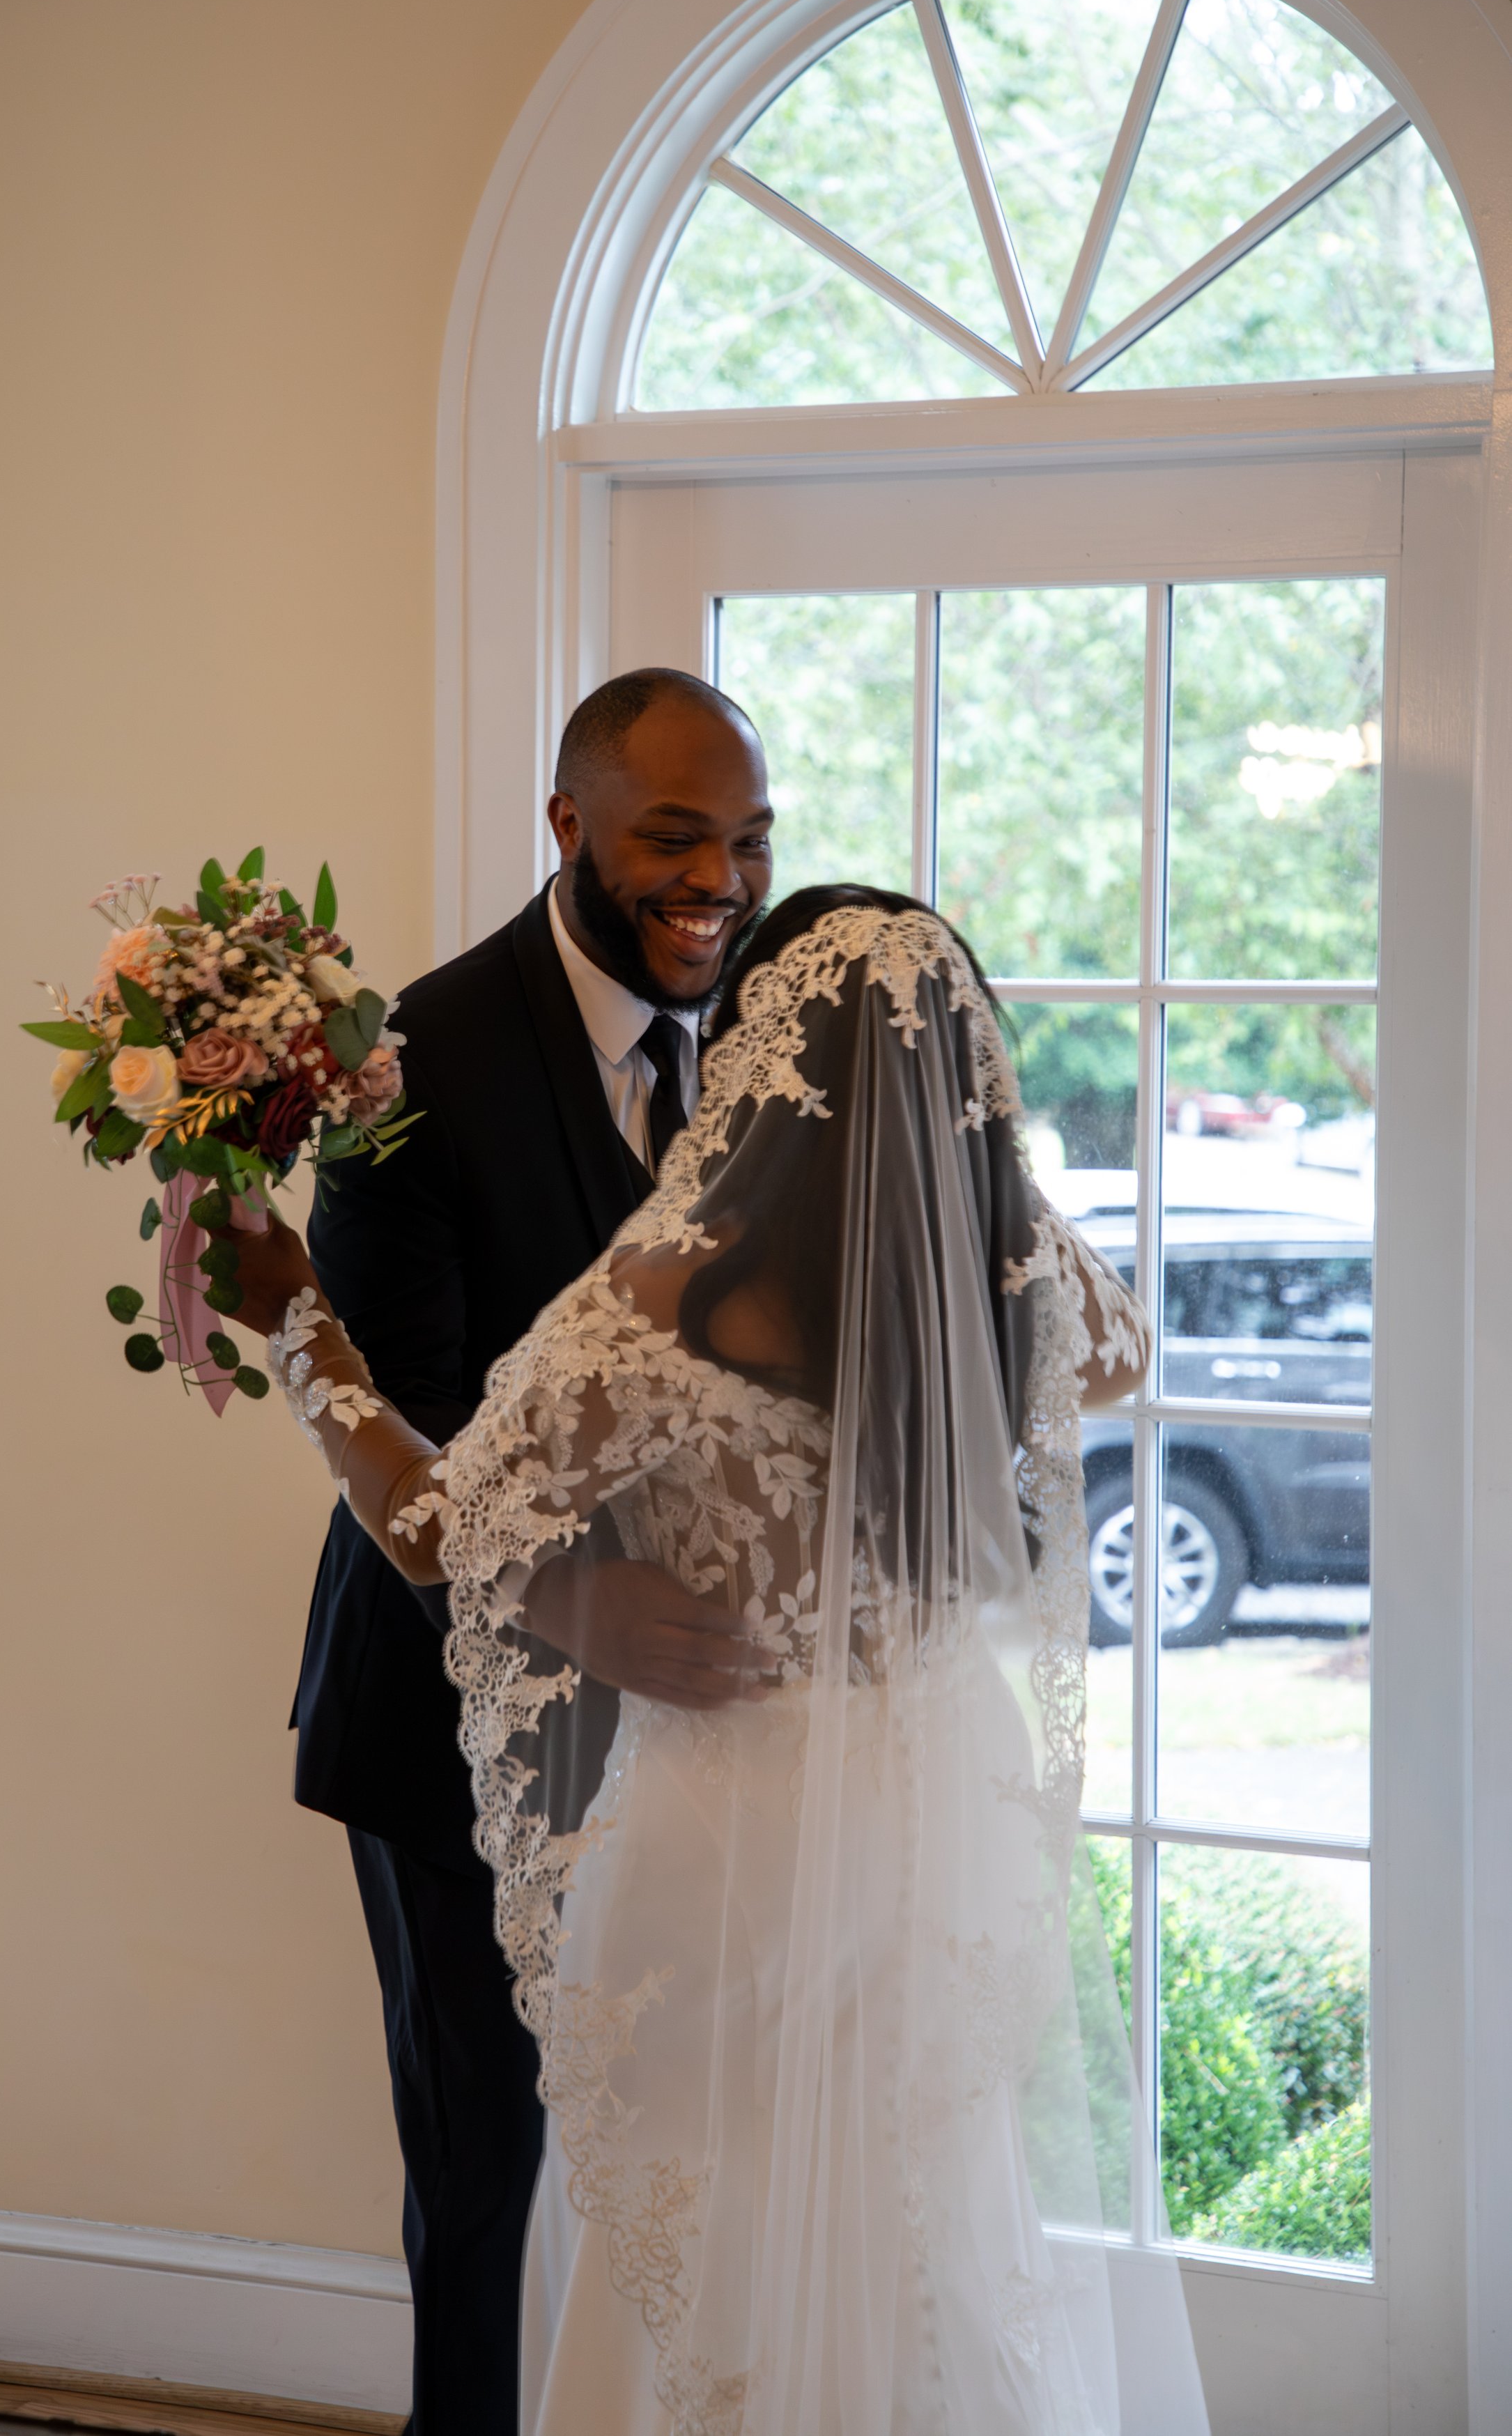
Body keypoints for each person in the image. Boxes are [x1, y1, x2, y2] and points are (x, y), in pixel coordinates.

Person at [237, 886, 1211, 2436]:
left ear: (757, 1064)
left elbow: (433, 1526)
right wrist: (968, 1181)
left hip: (729, 1825)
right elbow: (1120, 1352)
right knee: (914, 2219)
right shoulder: (1018, 1290)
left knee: (712, 2227)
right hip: (921, 1824)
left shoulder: (669, 1305)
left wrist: (301, 1329)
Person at [293, 668, 776, 2435]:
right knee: (481, 2172)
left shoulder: (760, 1040)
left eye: (742, 841)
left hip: (703, 1747)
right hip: (450, 1726)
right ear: (565, 824)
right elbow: (396, 1435)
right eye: (670, 837)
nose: (713, 879)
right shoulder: (408, 1069)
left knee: (693, 2163)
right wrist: (587, 1608)